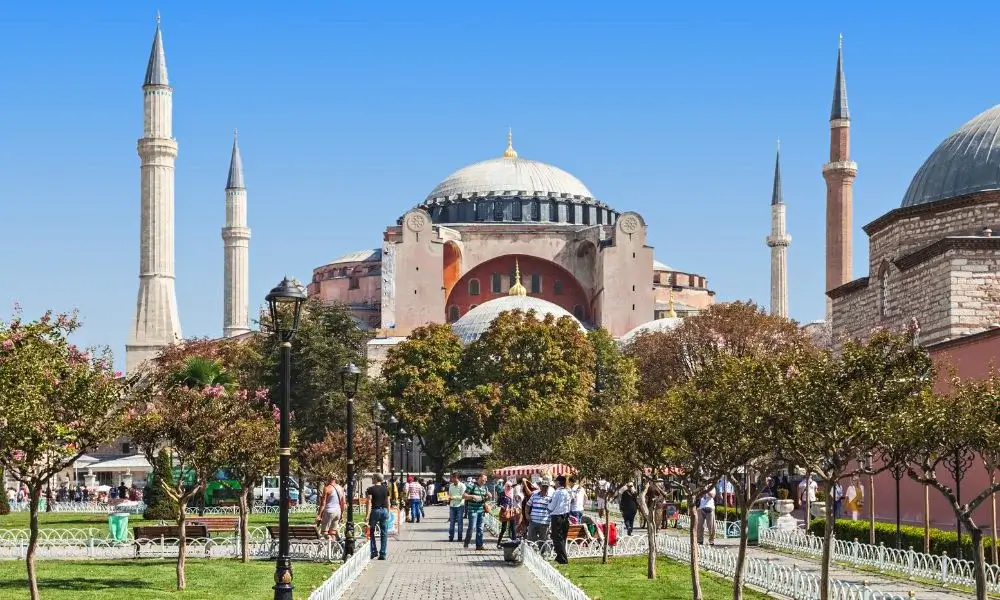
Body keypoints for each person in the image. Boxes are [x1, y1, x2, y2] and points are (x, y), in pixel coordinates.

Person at [548, 475, 572, 564]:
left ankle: (563, 559)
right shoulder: (567, 492)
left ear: (558, 482)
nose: (555, 484)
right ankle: (559, 556)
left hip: (557, 516)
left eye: (555, 482)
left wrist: (548, 506)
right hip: (565, 516)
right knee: (562, 538)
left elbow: (552, 505)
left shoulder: (557, 492)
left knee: (557, 538)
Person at [463, 472, 490, 550]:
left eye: (486, 479)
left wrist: (488, 497)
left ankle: (479, 545)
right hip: (473, 511)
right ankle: (467, 541)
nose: (485, 480)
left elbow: (485, 499)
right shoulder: (471, 486)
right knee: (472, 528)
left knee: (480, 529)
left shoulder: (485, 488)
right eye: (484, 478)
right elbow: (464, 496)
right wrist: (472, 496)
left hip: (481, 511)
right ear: (479, 478)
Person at [366, 473, 390, 560]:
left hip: (375, 511)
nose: (372, 479)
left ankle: (373, 551)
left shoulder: (370, 489)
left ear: (376, 479)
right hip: (384, 511)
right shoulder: (386, 489)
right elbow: (388, 502)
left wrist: (367, 515)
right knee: (384, 533)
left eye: (373, 478)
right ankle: (382, 553)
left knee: (371, 531)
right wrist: (388, 512)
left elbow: (369, 502)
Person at [316, 476, 345, 541]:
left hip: (329, 511)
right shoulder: (341, 488)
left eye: (326, 479)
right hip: (338, 511)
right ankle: (333, 545)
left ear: (329, 479)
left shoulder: (327, 488)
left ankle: (330, 540)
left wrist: (319, 515)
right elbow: (343, 503)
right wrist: (342, 514)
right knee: (332, 532)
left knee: (324, 532)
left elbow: (323, 504)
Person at [526, 477, 554, 542]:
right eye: (543, 486)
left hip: (544, 523)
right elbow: (528, 505)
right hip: (533, 521)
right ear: (540, 486)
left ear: (548, 487)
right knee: (530, 541)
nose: (544, 488)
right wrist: (527, 515)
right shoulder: (534, 495)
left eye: (546, 487)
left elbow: (552, 510)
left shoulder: (551, 497)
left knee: (543, 542)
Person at [496, 480, 519, 547]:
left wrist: (516, 507)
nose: (509, 487)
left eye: (511, 486)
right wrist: (503, 507)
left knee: (513, 528)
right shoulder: (502, 493)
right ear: (505, 486)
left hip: (512, 511)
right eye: (508, 486)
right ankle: (498, 543)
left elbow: (516, 501)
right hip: (505, 512)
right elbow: (498, 503)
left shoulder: (513, 493)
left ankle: (514, 544)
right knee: (503, 528)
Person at [447, 472, 466, 542]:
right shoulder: (451, 485)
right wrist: (447, 498)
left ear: (457, 478)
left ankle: (460, 537)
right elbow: (449, 494)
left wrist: (453, 497)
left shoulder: (462, 486)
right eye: (451, 477)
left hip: (460, 506)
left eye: (453, 477)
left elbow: (463, 496)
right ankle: (451, 537)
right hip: (452, 506)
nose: (452, 479)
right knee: (452, 522)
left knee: (460, 522)